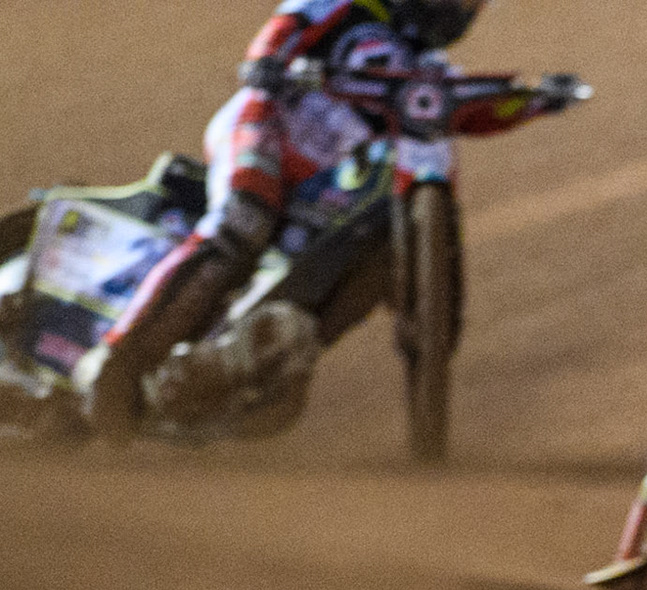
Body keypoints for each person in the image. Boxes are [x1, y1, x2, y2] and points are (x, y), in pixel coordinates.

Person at [74, 0, 573, 436]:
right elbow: (286, 25)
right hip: (269, 125)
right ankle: (115, 363)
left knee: (377, 255)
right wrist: (268, 61)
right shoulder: (348, 4)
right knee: (244, 222)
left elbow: (472, 112)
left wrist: (535, 102)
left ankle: (252, 362)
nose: (462, 9)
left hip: (330, 181)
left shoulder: (428, 67)